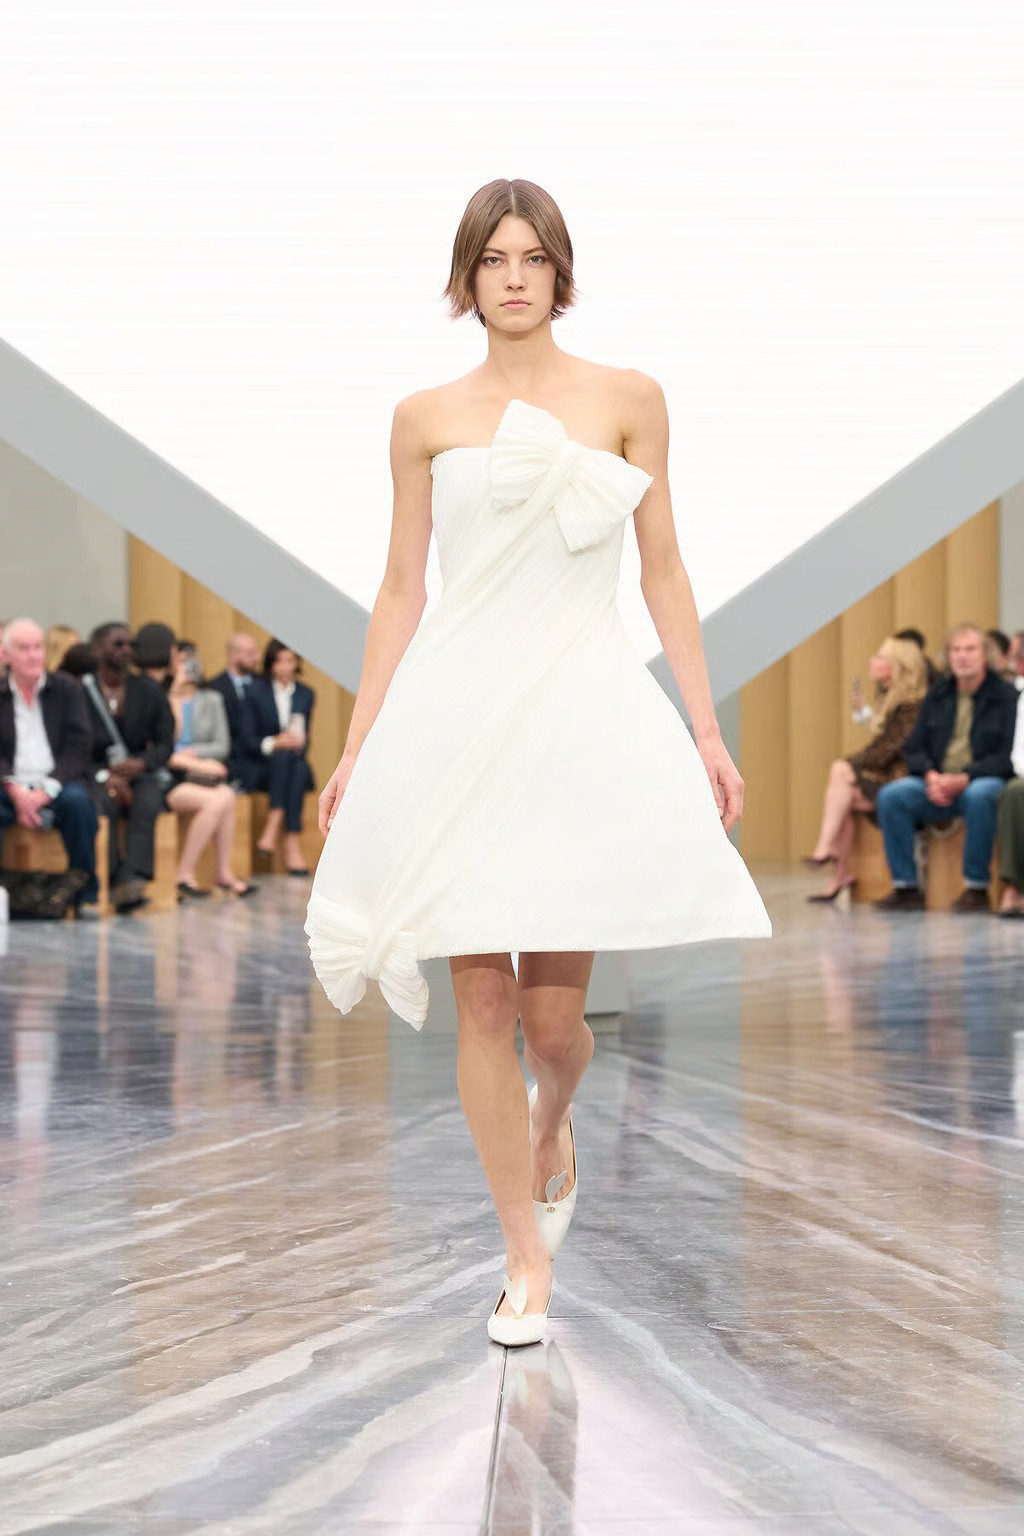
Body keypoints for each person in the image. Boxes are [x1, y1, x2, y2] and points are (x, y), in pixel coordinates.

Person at [303, 178, 771, 1347]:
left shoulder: (628, 398)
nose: (513, 278)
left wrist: (707, 729)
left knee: (553, 1026)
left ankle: (552, 1114)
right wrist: (358, 744)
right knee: (482, 999)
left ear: (561, 272)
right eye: (493, 259)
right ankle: (523, 1258)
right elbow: (401, 586)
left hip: (578, 717)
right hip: (459, 720)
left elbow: (662, 570)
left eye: (533, 258)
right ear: (465, 277)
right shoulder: (422, 416)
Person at [875, 623, 1018, 911]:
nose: (962, 656)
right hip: (936, 780)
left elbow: (1007, 756)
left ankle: (976, 888)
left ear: (985, 655)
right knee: (892, 796)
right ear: (948, 656)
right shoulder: (937, 694)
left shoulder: (1006, 697)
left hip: (980, 779)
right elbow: (914, 747)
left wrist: (965, 777)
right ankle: (906, 887)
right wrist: (931, 775)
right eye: (956, 650)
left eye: (970, 649)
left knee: (981, 794)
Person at [805, 637, 927, 901]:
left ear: (897, 665)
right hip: (886, 777)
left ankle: (826, 851)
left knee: (841, 774)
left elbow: (885, 751)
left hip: (903, 781)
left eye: (880, 657)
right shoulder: (890, 698)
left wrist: (847, 765)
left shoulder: (910, 705)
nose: (872, 661)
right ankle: (839, 874)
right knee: (844, 796)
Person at [0, 617, 99, 913]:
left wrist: (45, 791)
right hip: (10, 785)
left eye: (38, 647)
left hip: (58, 782)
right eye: (24, 648)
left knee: (79, 804)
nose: (33, 655)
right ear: (6, 655)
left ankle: (85, 893)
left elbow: (79, 746)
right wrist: (16, 791)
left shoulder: (67, 688)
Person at [83, 622, 175, 913]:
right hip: (94, 772)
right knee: (102, 802)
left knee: (148, 800)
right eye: (118, 644)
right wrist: (103, 775)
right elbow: (71, 745)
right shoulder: (80, 690)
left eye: (130, 645)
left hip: (137, 772)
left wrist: (142, 763)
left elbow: (165, 743)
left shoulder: (147, 690)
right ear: (98, 649)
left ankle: (133, 878)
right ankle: (109, 875)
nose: (126, 650)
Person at [163, 641, 256, 898]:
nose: (187, 667)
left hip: (199, 774)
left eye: (191, 660)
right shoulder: (162, 698)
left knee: (226, 795)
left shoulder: (212, 699)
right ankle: (185, 874)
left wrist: (194, 754)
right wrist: (174, 695)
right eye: (180, 661)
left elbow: (222, 745)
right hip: (172, 777)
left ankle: (222, 871)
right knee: (219, 800)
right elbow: (165, 742)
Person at [249, 639, 315, 875]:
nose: (285, 666)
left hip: (293, 761)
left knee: (294, 762)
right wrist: (275, 742)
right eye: (280, 661)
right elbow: (247, 739)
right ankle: (291, 842)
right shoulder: (256, 692)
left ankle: (275, 822)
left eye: (290, 660)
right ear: (271, 663)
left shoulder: (306, 694)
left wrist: (298, 742)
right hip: (263, 764)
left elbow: (306, 736)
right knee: (289, 760)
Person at [207, 633, 264, 789]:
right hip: (230, 759)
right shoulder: (213, 688)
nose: (256, 658)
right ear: (233, 655)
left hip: (261, 758)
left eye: (256, 652)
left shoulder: (265, 685)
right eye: (250, 653)